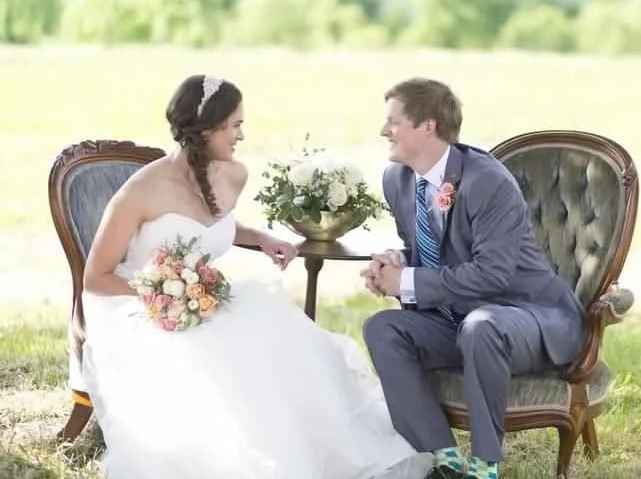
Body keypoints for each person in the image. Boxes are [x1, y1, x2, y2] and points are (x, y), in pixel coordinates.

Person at [80, 74, 432, 479]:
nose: (241, 135)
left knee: (281, 334)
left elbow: (210, 225)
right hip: (141, 310)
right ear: (206, 129)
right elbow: (97, 277)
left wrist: (260, 238)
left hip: (203, 299)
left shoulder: (232, 175)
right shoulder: (141, 191)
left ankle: (325, 450)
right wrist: (163, 295)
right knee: (231, 352)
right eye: (234, 125)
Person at [362, 78, 586, 479]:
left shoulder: (488, 181)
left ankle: (485, 465)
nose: (384, 131)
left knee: (482, 327)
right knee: (382, 329)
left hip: (529, 315)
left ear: (427, 126)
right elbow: (435, 251)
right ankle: (441, 458)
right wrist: (396, 261)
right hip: (461, 320)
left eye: (393, 121)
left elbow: (492, 274)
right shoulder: (396, 179)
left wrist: (408, 281)